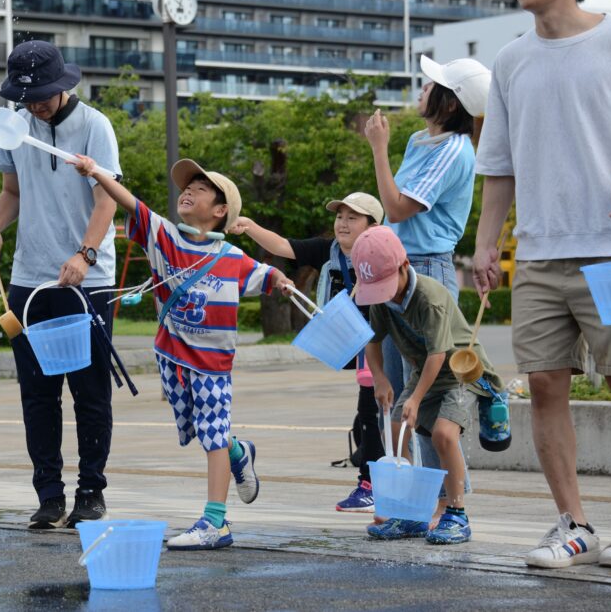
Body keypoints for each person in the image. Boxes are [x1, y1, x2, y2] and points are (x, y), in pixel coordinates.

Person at [473, 0, 611, 569]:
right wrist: (486, 247)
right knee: (543, 385)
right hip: (535, 255)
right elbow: (499, 164)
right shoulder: (510, 60)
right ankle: (576, 525)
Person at [74, 155, 292, 550]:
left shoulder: (232, 258)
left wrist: (278, 278)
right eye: (187, 187)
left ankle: (215, 523)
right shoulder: (164, 238)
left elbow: (264, 273)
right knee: (201, 430)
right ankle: (240, 454)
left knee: (212, 433)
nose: (188, 191)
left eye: (201, 188)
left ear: (221, 210)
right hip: (172, 359)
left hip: (213, 365)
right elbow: (131, 203)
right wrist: (97, 174)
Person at [0, 41, 121, 529]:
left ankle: (90, 493)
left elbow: (107, 202)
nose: (35, 103)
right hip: (28, 279)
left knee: (89, 391)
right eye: (27, 95)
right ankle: (48, 495)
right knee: (37, 394)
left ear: (63, 86)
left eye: (42, 93)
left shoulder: (94, 127)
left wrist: (85, 253)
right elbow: (12, 190)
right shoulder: (16, 127)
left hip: (87, 279)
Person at [363, 52, 492, 531]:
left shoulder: (455, 149)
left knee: (431, 396)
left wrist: (378, 148)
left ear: (450, 101)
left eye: (431, 85)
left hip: (426, 272)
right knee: (398, 399)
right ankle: (411, 506)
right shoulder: (423, 138)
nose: (422, 90)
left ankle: (446, 505)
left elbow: (396, 207)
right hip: (397, 268)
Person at [230, 192, 386, 513]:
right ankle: (375, 480)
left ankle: (372, 484)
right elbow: (283, 246)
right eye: (340, 216)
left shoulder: (383, 252)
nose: (342, 223)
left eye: (352, 218)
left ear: (373, 226)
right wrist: (249, 227)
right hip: (355, 344)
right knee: (368, 415)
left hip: (385, 343)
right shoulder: (326, 249)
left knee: (373, 414)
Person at [353, 227, 507, 545]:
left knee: (443, 435)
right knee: (395, 428)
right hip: (425, 372)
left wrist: (416, 398)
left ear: (404, 266)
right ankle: (410, 512)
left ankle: (456, 513)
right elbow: (372, 341)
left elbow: (438, 355)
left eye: (386, 285)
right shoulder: (382, 301)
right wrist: (379, 379)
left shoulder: (430, 297)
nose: (383, 295)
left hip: (462, 373)